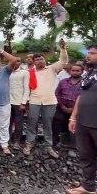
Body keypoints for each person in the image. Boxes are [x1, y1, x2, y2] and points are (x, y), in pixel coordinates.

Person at [23, 40, 68, 158]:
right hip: (34, 101)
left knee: (48, 124)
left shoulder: (52, 69)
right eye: (36, 60)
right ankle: (29, 144)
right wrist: (25, 102)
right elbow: (26, 88)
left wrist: (63, 48)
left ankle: (49, 146)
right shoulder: (29, 72)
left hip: (50, 101)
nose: (39, 61)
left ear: (45, 60)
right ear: (33, 62)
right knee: (31, 123)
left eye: (41, 59)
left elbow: (63, 61)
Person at [66, 44, 97, 194]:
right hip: (84, 122)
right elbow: (81, 96)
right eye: (89, 53)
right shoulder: (88, 73)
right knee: (86, 155)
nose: (88, 55)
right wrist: (73, 117)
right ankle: (88, 186)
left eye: (92, 53)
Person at [53, 64, 82, 146]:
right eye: (73, 70)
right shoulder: (63, 81)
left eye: (77, 71)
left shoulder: (84, 83)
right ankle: (55, 142)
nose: (75, 72)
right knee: (56, 123)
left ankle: (72, 144)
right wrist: (62, 106)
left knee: (75, 126)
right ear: (70, 71)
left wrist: (74, 108)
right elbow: (57, 94)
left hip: (77, 109)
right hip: (62, 107)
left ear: (82, 72)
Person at [9, 57, 30, 150]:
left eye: (18, 61)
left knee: (18, 122)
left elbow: (26, 89)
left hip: (18, 102)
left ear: (21, 63)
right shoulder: (8, 72)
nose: (15, 62)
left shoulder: (24, 73)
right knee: (7, 122)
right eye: (14, 61)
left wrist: (23, 103)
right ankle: (7, 139)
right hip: (7, 102)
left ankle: (17, 141)